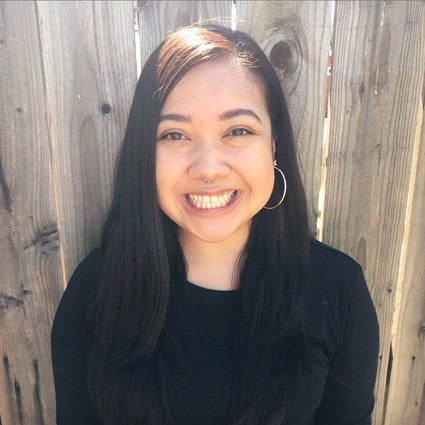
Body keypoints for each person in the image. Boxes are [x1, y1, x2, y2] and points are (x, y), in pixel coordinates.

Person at [51, 24, 379, 425]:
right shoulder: (95, 293)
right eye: (174, 134)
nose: (207, 167)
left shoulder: (339, 290)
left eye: (237, 130)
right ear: (144, 153)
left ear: (273, 143)